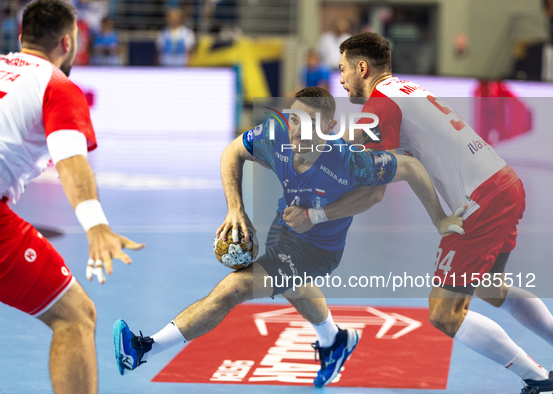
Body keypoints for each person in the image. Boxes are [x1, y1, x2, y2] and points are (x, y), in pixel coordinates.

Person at [113, 87, 463, 387]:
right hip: (286, 225)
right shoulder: (276, 135)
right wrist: (236, 207)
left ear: (327, 127)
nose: (296, 130)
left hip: (319, 249)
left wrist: (439, 219)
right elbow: (232, 152)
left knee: (234, 289)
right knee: (292, 285)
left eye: (307, 124)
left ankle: (143, 349)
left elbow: (408, 171)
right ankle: (335, 341)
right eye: (294, 120)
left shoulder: (349, 161)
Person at [285, 32, 553, 393]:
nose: (342, 78)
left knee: (445, 313)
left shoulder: (381, 104)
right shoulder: (402, 91)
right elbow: (358, 149)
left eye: (344, 69)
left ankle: (537, 378)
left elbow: (374, 189)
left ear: (362, 67)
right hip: (504, 183)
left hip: (480, 199)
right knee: (490, 286)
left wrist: (316, 214)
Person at [0, 0, 143, 393]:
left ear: (23, 35)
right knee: (76, 316)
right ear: (67, 42)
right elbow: (70, 161)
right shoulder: (57, 85)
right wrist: (96, 225)